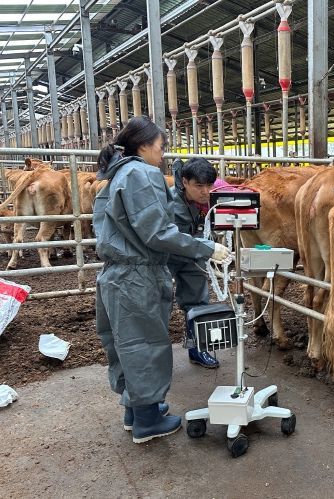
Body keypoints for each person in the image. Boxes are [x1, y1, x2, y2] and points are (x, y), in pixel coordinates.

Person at [93, 116, 229, 444]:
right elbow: (158, 232)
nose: (162, 153)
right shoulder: (141, 174)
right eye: (160, 146)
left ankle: (136, 410)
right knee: (145, 345)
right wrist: (207, 248)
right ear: (143, 145)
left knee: (125, 344)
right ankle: (148, 421)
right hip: (137, 276)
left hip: (115, 273)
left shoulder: (115, 174)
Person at [168, 157, 229, 368]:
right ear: (185, 182)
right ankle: (157, 357)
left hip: (193, 255)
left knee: (197, 301)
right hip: (165, 257)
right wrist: (206, 247)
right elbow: (172, 239)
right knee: (159, 303)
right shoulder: (171, 202)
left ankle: (197, 349)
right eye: (199, 186)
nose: (205, 192)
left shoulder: (209, 200)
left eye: (209, 186)